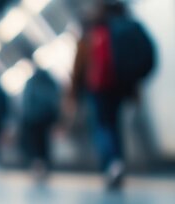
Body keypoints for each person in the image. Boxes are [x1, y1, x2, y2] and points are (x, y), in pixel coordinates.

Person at [69, 0, 155, 189]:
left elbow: (80, 63)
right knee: (114, 124)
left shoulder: (91, 27)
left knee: (102, 125)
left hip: (97, 86)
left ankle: (111, 164)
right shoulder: (127, 23)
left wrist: (74, 92)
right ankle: (118, 161)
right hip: (121, 85)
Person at [21, 68, 61, 181]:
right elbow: (55, 99)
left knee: (35, 143)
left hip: (33, 119)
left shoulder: (31, 82)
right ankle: (44, 166)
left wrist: (26, 117)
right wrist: (55, 117)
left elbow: (27, 100)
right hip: (46, 118)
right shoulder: (50, 82)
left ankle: (37, 166)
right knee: (45, 143)